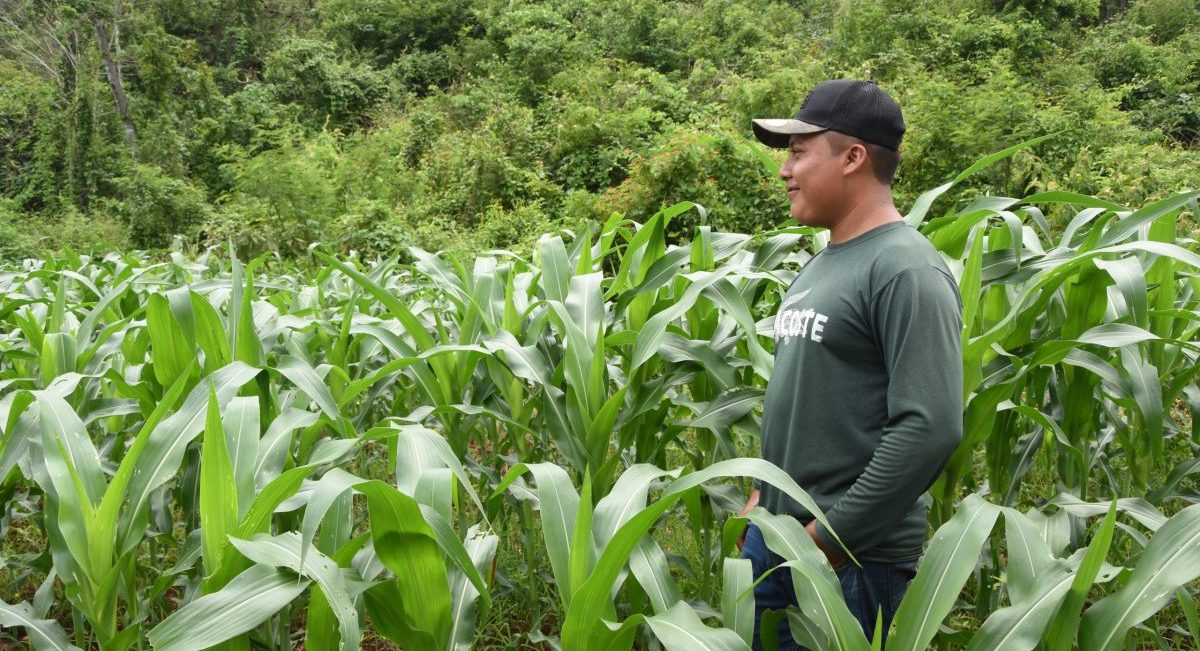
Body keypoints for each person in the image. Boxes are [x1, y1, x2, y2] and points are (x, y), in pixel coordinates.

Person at [739, 79, 963, 649]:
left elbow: (929, 426)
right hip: (782, 540)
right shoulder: (822, 265)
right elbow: (815, 401)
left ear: (853, 157)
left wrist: (828, 538)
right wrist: (764, 501)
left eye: (797, 152)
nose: (785, 171)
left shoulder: (905, 268)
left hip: (850, 563)